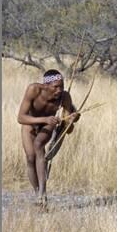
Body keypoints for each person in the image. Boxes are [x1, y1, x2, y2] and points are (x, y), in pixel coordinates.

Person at [17, 69, 80, 207]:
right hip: (31, 124)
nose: (59, 90)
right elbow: (21, 118)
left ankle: (43, 194)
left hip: (48, 124)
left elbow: (68, 129)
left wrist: (71, 119)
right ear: (46, 85)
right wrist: (44, 119)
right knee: (30, 158)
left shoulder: (64, 97)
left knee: (39, 145)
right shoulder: (34, 89)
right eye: (55, 87)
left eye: (61, 86)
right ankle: (37, 194)